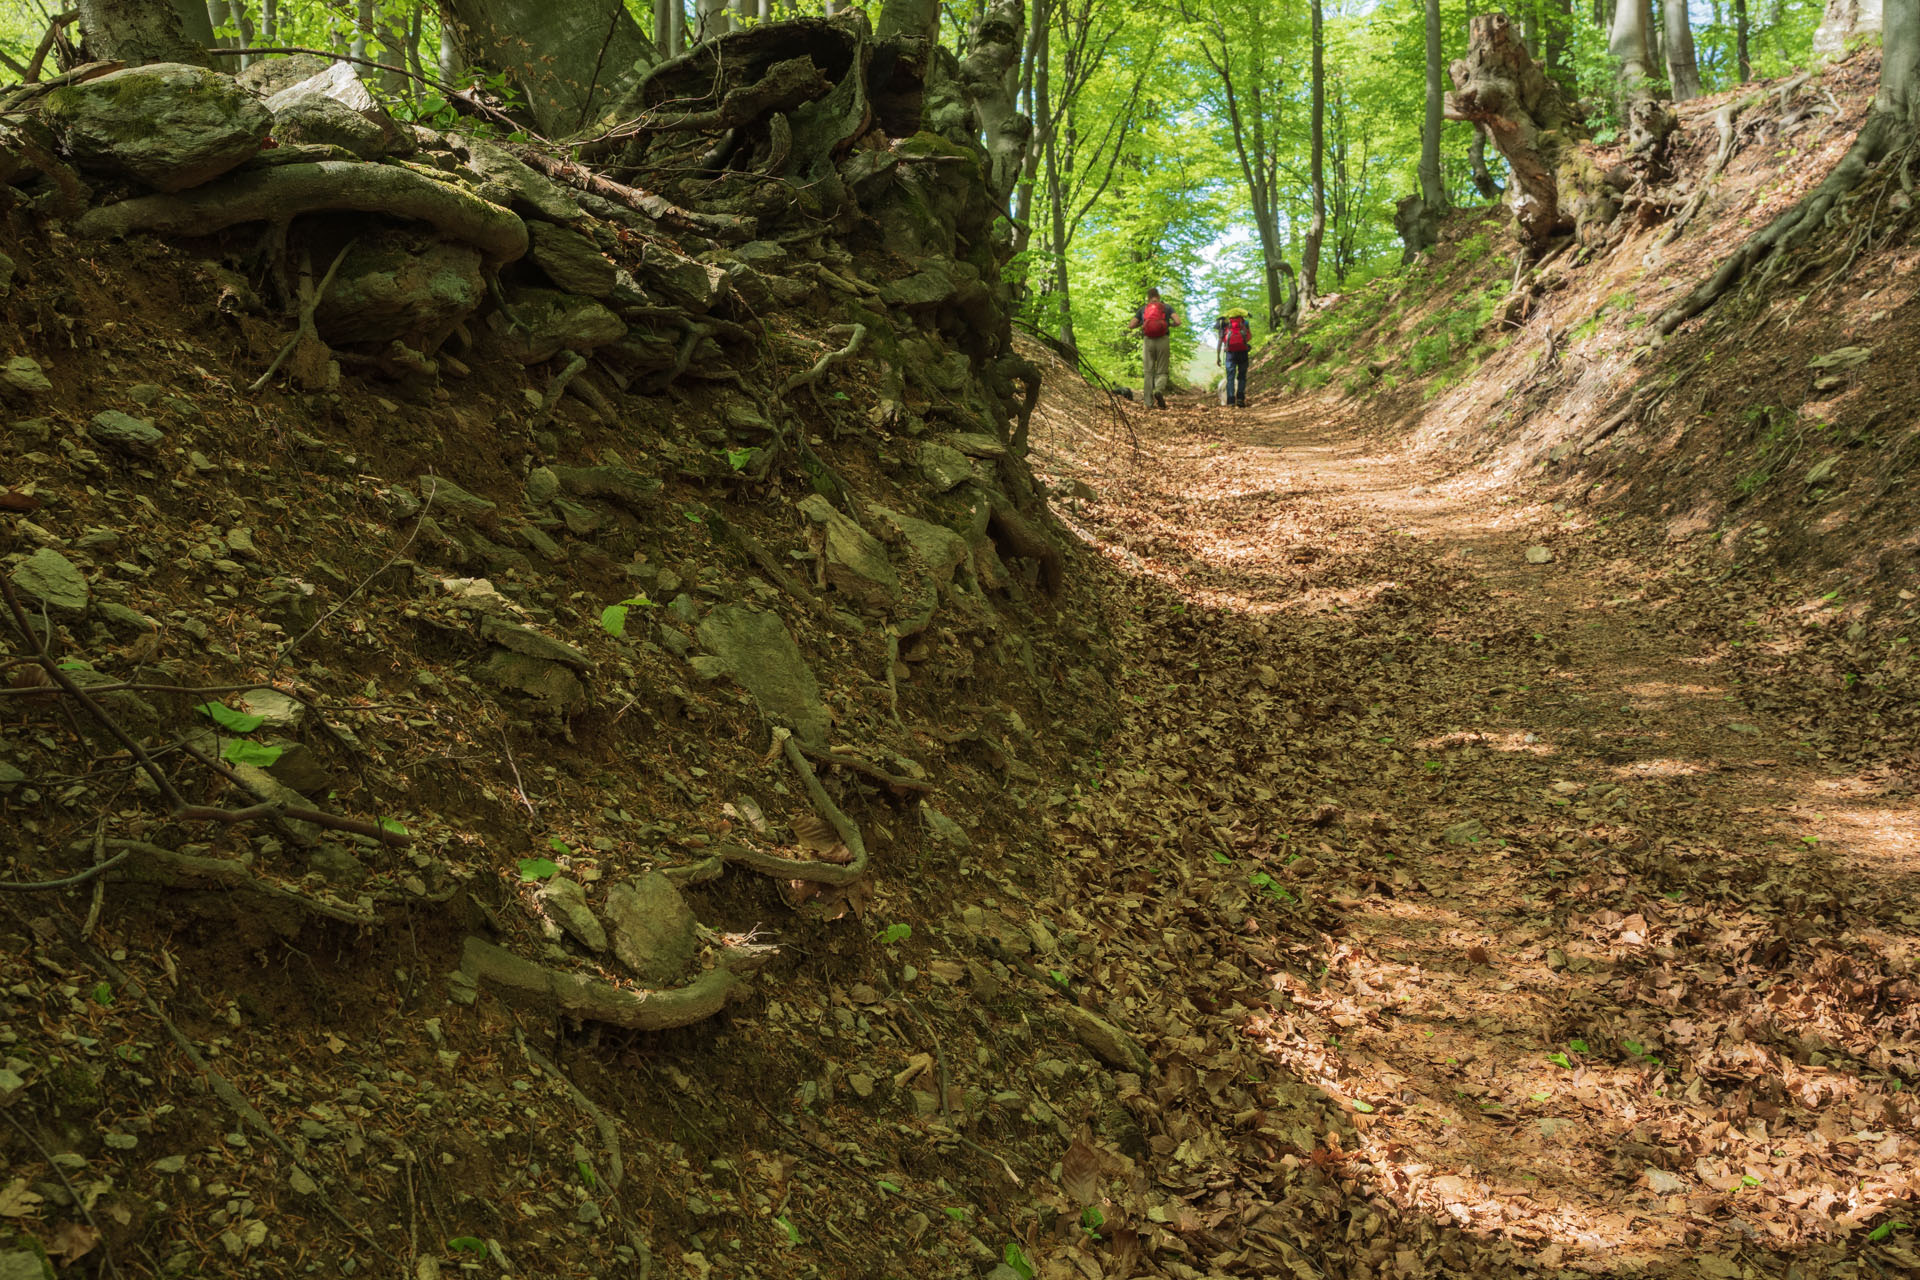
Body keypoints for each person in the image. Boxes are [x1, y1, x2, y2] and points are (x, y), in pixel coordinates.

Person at [1126, 288, 1179, 409]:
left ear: (1148, 297)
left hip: (1148, 341)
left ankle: (1148, 403)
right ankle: (1158, 389)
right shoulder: (1166, 307)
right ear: (1158, 296)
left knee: (1148, 372)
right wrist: (1169, 324)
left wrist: (1142, 323)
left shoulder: (1143, 309)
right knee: (1162, 370)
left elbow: (1131, 325)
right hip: (1163, 340)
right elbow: (1178, 321)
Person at [1216, 307, 1252, 408]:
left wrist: (1218, 356)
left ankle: (1231, 400)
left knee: (1230, 377)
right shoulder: (1245, 323)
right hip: (1243, 352)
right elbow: (1249, 337)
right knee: (1242, 376)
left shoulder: (1224, 324)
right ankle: (1240, 398)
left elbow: (1220, 341)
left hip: (1230, 353)